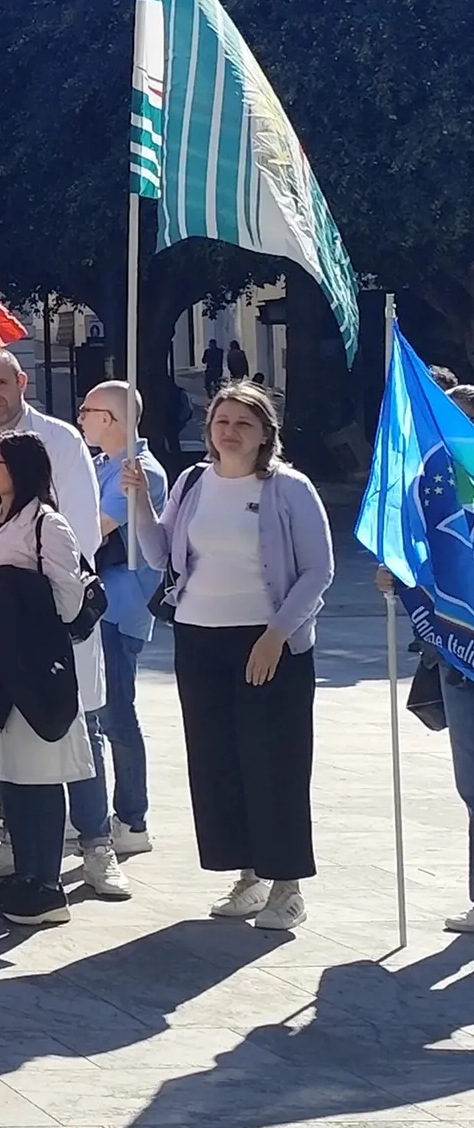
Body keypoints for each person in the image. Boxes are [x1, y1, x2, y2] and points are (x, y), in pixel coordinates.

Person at [126, 380, 332, 931]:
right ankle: (247, 874)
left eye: (243, 423)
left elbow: (318, 570)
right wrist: (140, 503)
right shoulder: (193, 482)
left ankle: (286, 884)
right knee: (217, 761)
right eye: (222, 421)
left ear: (266, 433)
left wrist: (277, 634)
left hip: (268, 642)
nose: (230, 432)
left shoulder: (289, 488)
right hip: (199, 637)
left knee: (275, 762)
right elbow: (159, 553)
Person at [0, 347, 111, 897]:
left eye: (0, 383)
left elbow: (80, 535)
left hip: (47, 633)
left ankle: (96, 843)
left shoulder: (60, 440)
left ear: (21, 381)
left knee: (76, 731)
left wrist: (32, 610)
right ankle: (22, 850)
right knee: (14, 749)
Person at [0, 433, 99, 928]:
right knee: (11, 775)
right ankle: (25, 874)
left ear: (20, 468)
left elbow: (69, 598)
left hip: (34, 664)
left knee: (41, 774)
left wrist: (20, 611)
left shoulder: (46, 524)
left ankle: (47, 884)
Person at [77, 380, 165, 858]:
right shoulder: (102, 466)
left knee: (115, 714)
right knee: (97, 711)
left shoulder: (140, 470)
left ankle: (132, 817)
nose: (81, 418)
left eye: (87, 411)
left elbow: (96, 528)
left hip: (120, 606)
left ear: (110, 419)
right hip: (99, 604)